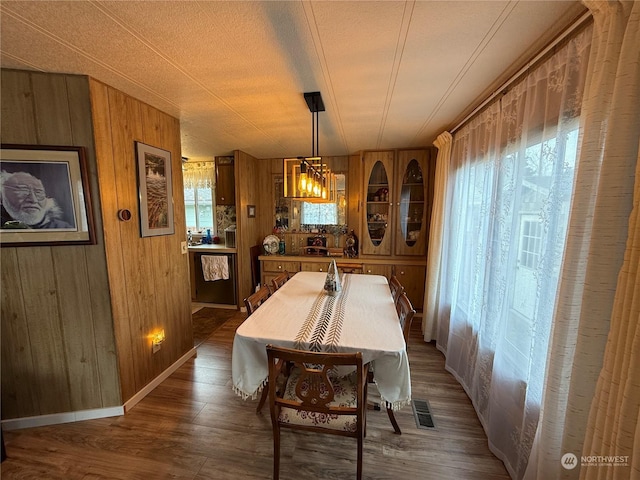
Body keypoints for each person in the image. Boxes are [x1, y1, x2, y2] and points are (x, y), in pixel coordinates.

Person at [0, 170, 73, 229]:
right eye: (23, 191)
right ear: (1, 196)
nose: (33, 200)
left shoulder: (62, 228)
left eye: (39, 193)